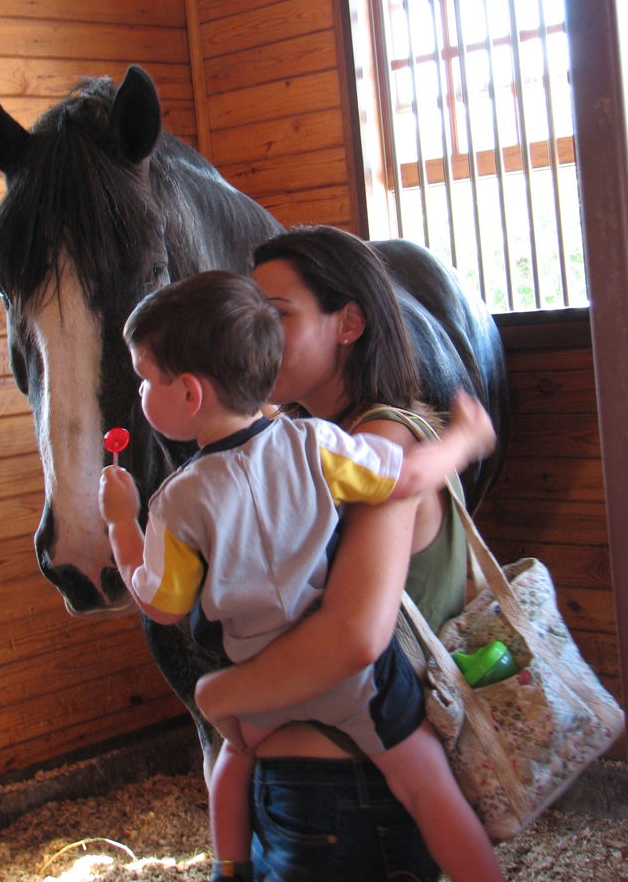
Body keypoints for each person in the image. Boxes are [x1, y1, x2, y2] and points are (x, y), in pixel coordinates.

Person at [97, 268, 503, 882]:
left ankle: (228, 867)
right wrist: (465, 439)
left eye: (145, 379)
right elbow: (411, 477)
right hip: (356, 681)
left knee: (231, 758)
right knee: (427, 785)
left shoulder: (175, 502)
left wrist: (121, 527)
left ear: (188, 394)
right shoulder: (318, 444)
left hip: (262, 681)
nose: (140, 393)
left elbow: (161, 604)